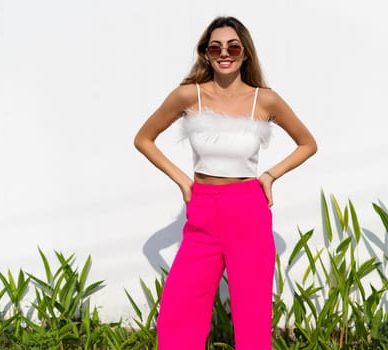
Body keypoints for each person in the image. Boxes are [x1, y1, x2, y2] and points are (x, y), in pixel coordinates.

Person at [134, 16, 317, 350]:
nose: (225, 53)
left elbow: (308, 143)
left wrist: (269, 175)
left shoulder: (265, 100)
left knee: (253, 318)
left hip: (249, 209)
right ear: (205, 54)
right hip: (203, 210)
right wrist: (182, 182)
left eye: (233, 46)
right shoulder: (189, 96)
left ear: (245, 53)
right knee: (177, 314)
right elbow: (144, 138)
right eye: (215, 47)